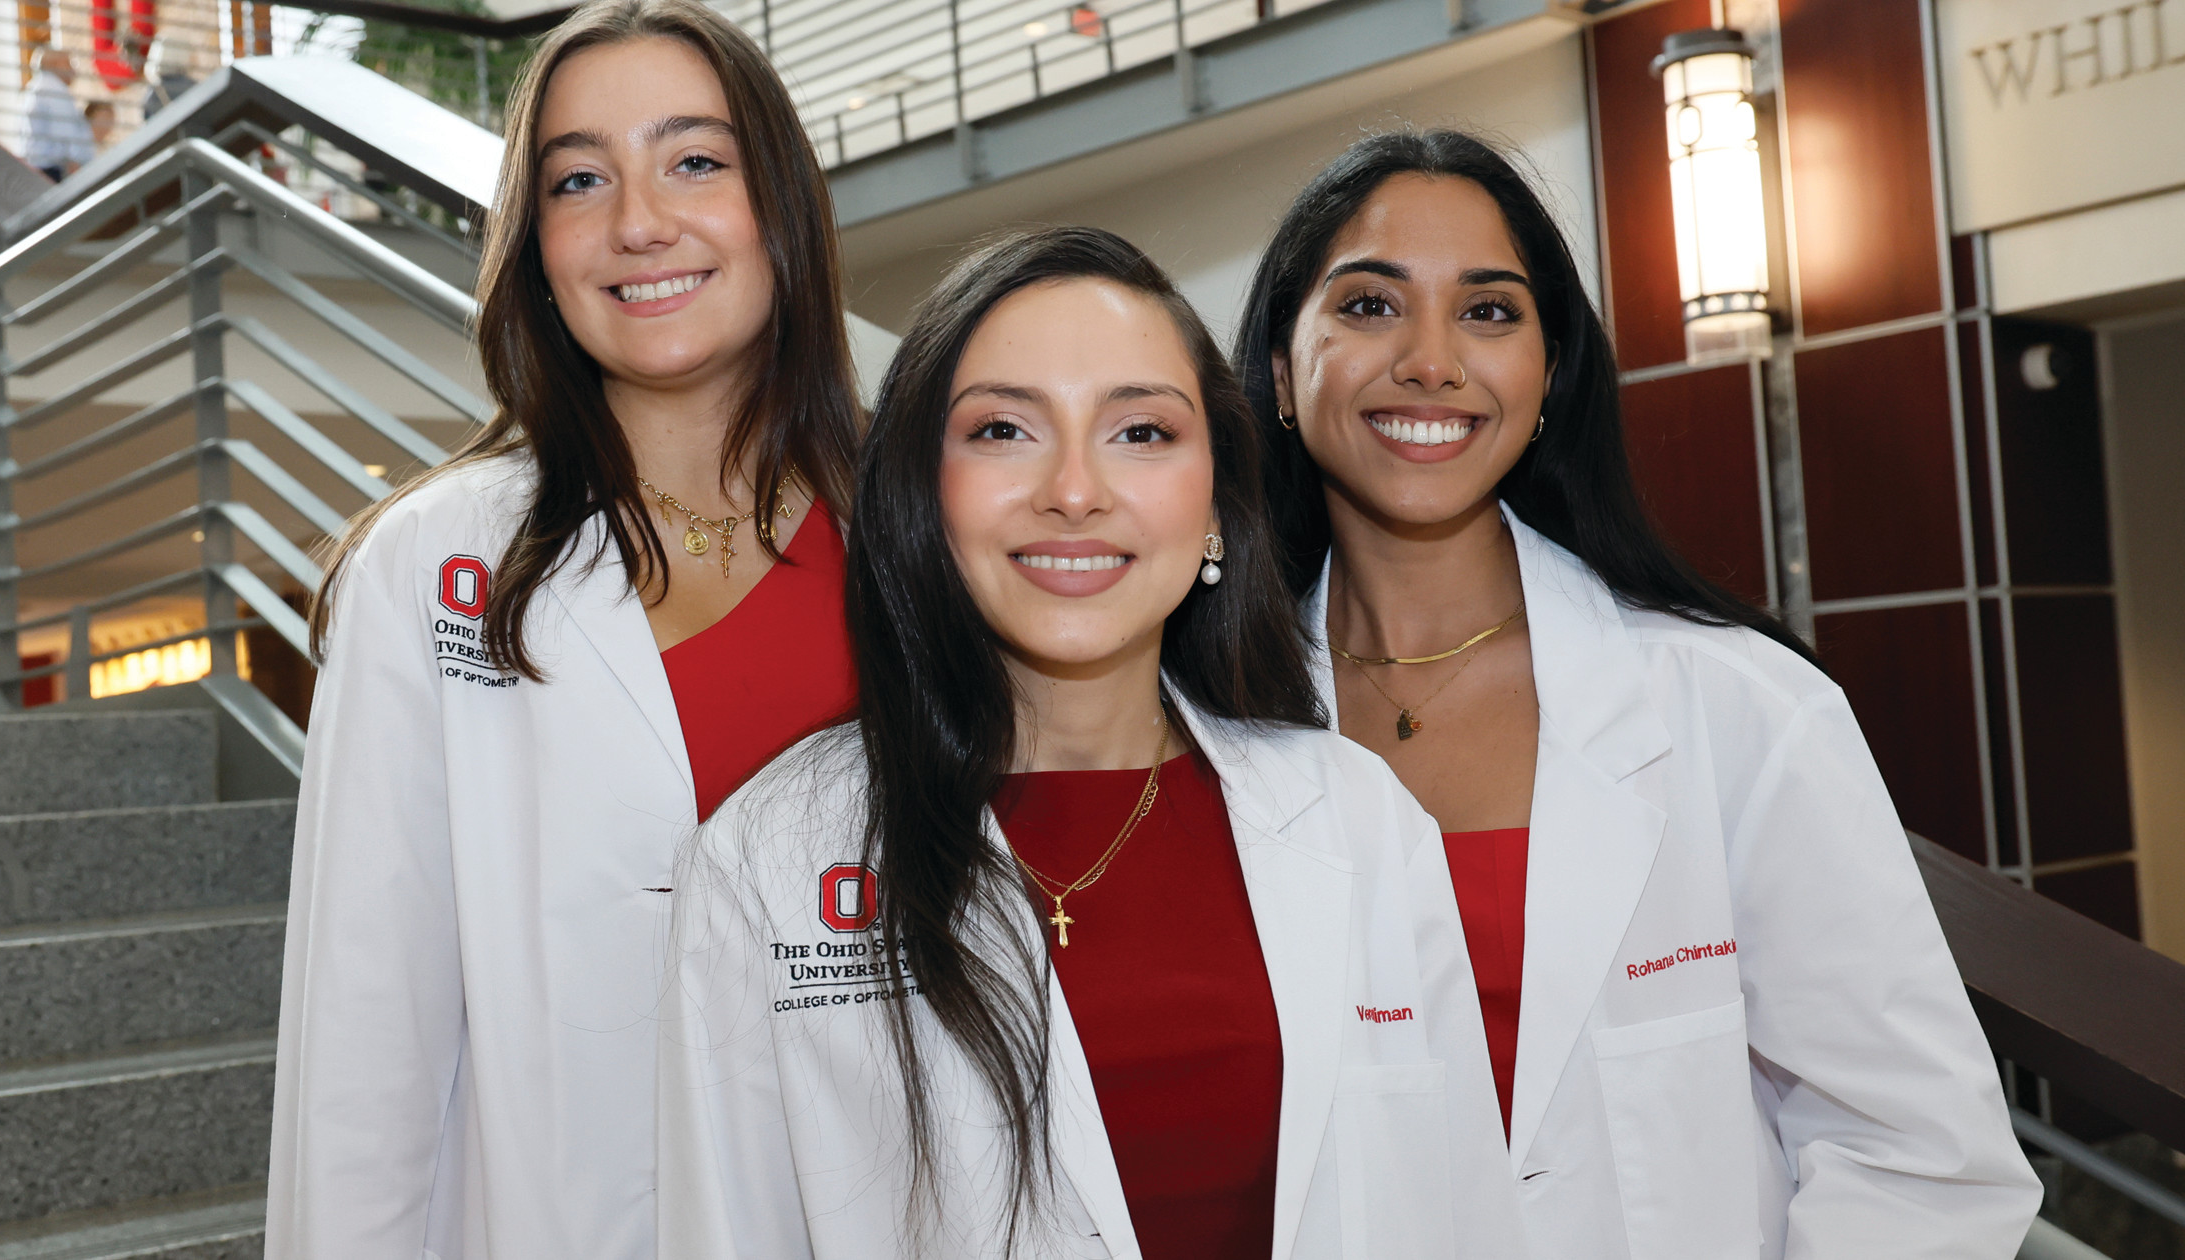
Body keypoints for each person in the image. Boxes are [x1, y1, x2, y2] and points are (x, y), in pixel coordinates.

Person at [1236, 129, 2042, 1258]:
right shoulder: (1202, 731)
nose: (1429, 360)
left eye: (1488, 311)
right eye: (1368, 306)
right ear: (1278, 368)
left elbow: (1918, 1154)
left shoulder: (1738, 707)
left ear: (1550, 372)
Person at [656, 227, 1530, 1260]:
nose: (1073, 491)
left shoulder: (1354, 815)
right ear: (922, 498)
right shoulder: (771, 858)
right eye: (1001, 432)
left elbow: (1463, 1220)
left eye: (1141, 433)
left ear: (1214, 502)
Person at [265, 0, 862, 1256]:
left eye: (694, 161)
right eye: (578, 180)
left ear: (783, 210)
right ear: (534, 245)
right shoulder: (438, 564)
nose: (639, 221)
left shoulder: (910, 538)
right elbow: (369, 1032)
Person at [19, 47, 93, 181]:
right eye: (69, 63)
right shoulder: (54, 89)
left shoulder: (36, 88)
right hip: (51, 171)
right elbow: (65, 134)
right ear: (55, 64)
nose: (73, 69)